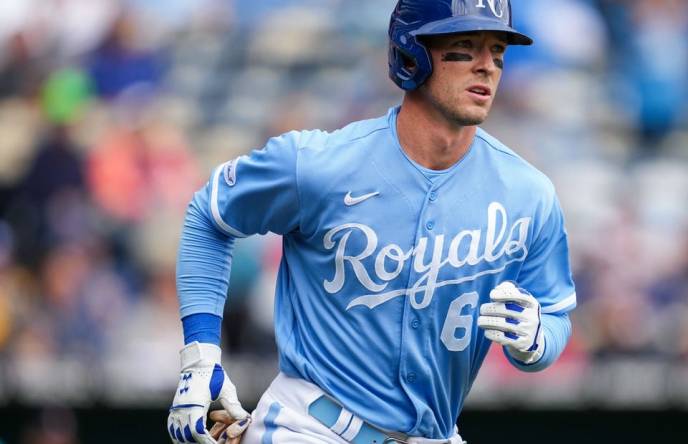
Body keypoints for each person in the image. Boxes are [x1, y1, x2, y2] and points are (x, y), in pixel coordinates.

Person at [167, 1, 577, 443]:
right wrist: (201, 354)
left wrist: (537, 340)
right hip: (312, 427)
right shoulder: (320, 164)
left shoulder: (528, 194)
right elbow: (210, 216)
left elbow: (554, 314)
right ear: (412, 55)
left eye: (497, 50)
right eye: (464, 46)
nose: (487, 66)